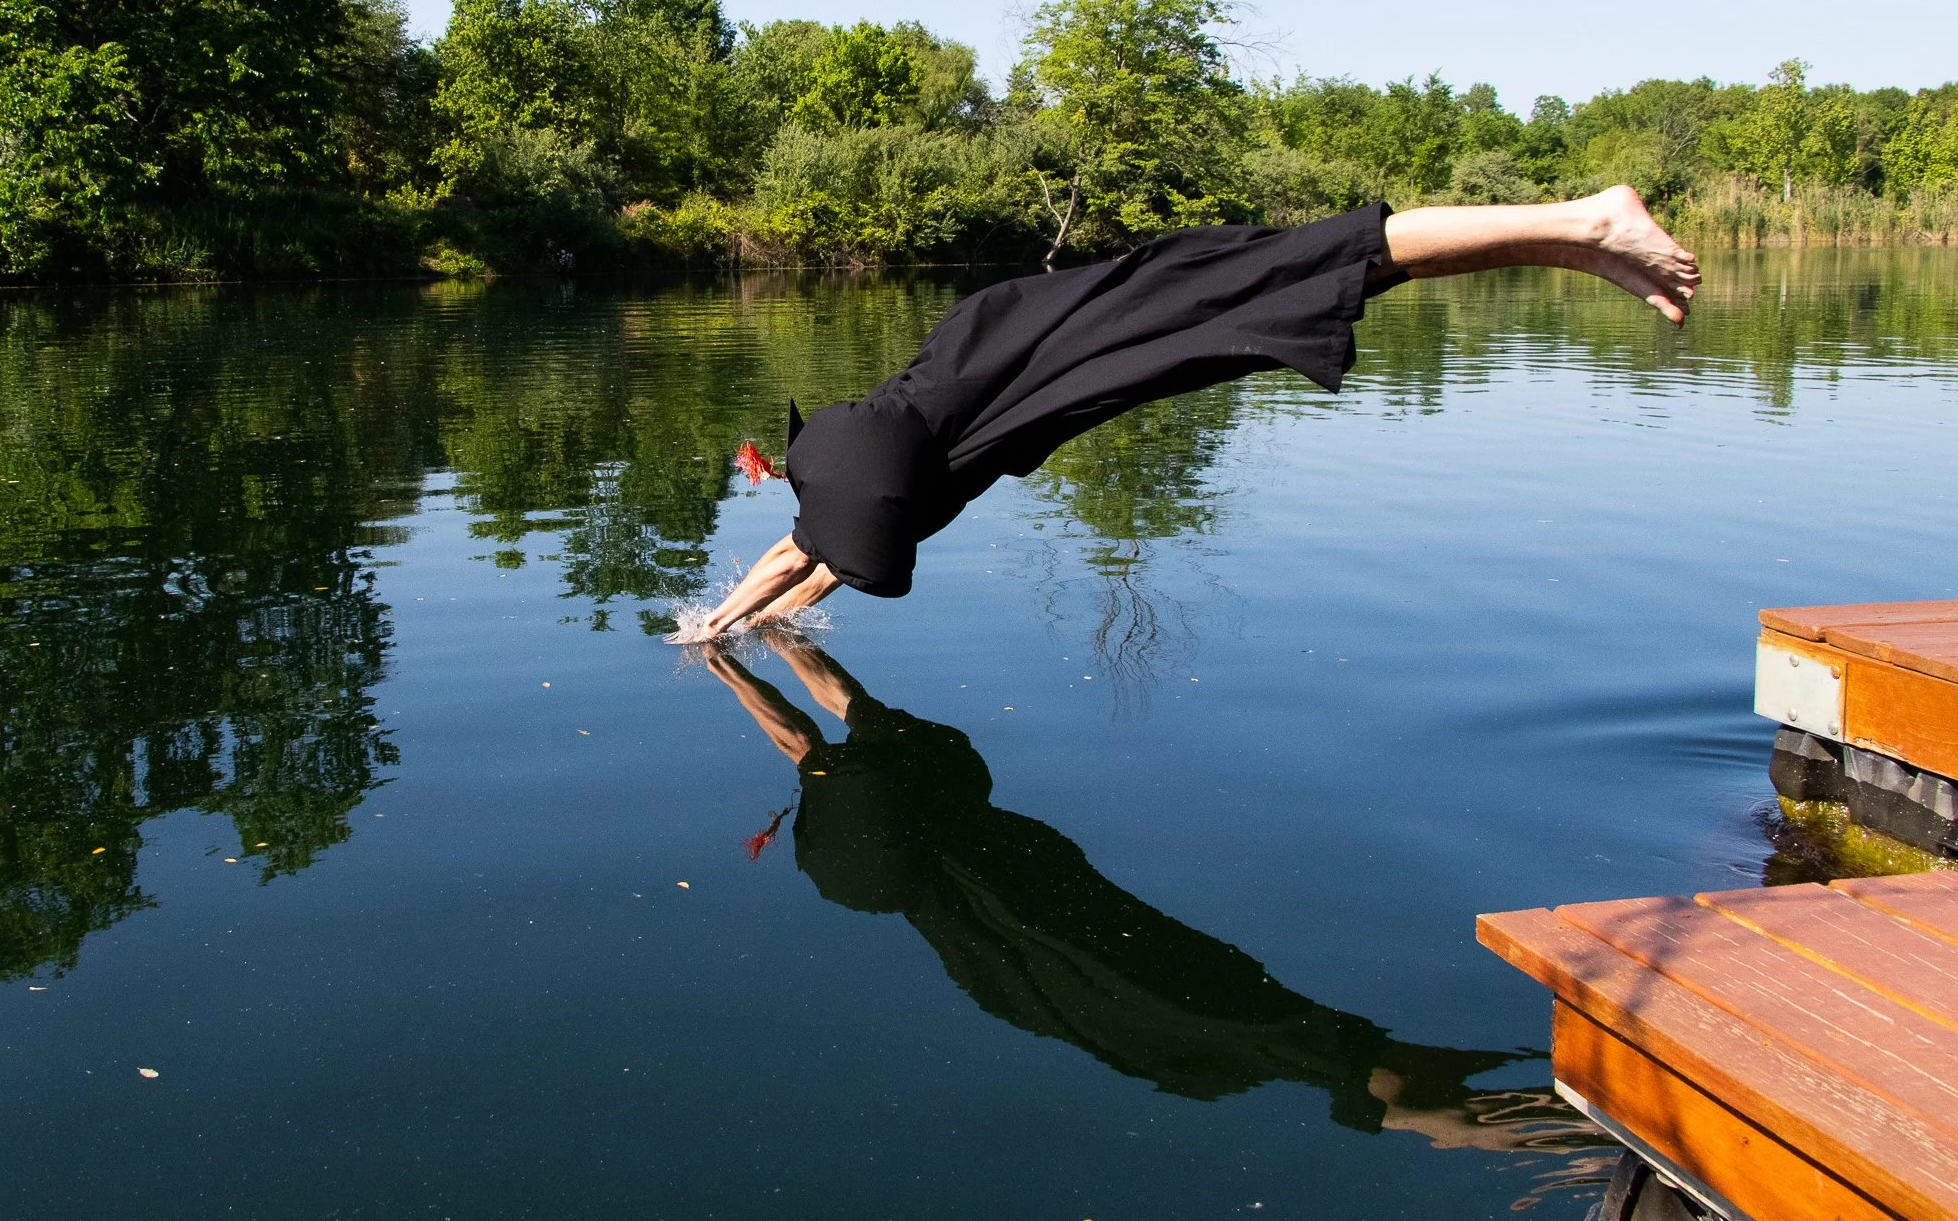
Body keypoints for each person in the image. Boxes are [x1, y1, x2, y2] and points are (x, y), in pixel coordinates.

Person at [701, 634, 1606, 1151]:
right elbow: (836, 702)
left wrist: (722, 663)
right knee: (1155, 977)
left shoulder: (864, 810)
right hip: (1036, 880)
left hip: (994, 920)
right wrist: (778, 634)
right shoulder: (909, 759)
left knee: (1137, 999)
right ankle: (1375, 1079)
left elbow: (797, 738)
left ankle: (1376, 1081)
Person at [670, 188, 1698, 642]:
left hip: (982, 397)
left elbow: (805, 562)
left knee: (1297, 268)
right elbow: (801, 557)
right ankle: (1576, 236)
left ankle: (1583, 225)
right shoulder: (857, 477)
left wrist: (722, 632)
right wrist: (729, 625)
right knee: (1288, 269)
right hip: (995, 356)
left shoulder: (871, 495)